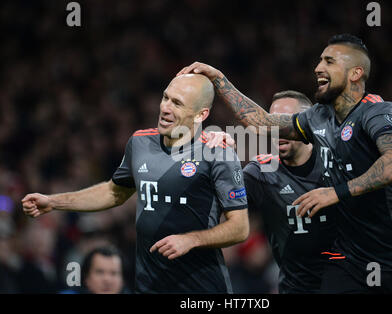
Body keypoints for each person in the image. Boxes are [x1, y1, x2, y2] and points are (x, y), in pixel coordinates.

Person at [179, 34, 392, 293]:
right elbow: (263, 123)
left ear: (355, 73)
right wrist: (219, 79)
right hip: (351, 264)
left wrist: (337, 193)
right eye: (320, 60)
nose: (318, 67)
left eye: (329, 61)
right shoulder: (318, 117)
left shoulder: (376, 111)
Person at [22, 73, 249, 293]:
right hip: (149, 285)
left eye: (177, 103)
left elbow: (240, 228)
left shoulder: (218, 153)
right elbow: (114, 192)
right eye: (165, 97)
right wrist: (53, 202)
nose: (165, 108)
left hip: (201, 288)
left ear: (201, 114)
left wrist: (192, 239)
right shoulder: (140, 142)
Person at [240, 90, 392, 293]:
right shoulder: (260, 173)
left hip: (354, 280)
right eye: (272, 123)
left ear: (303, 125)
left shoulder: (339, 160)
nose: (277, 130)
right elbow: (220, 205)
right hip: (298, 287)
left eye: (283, 122)